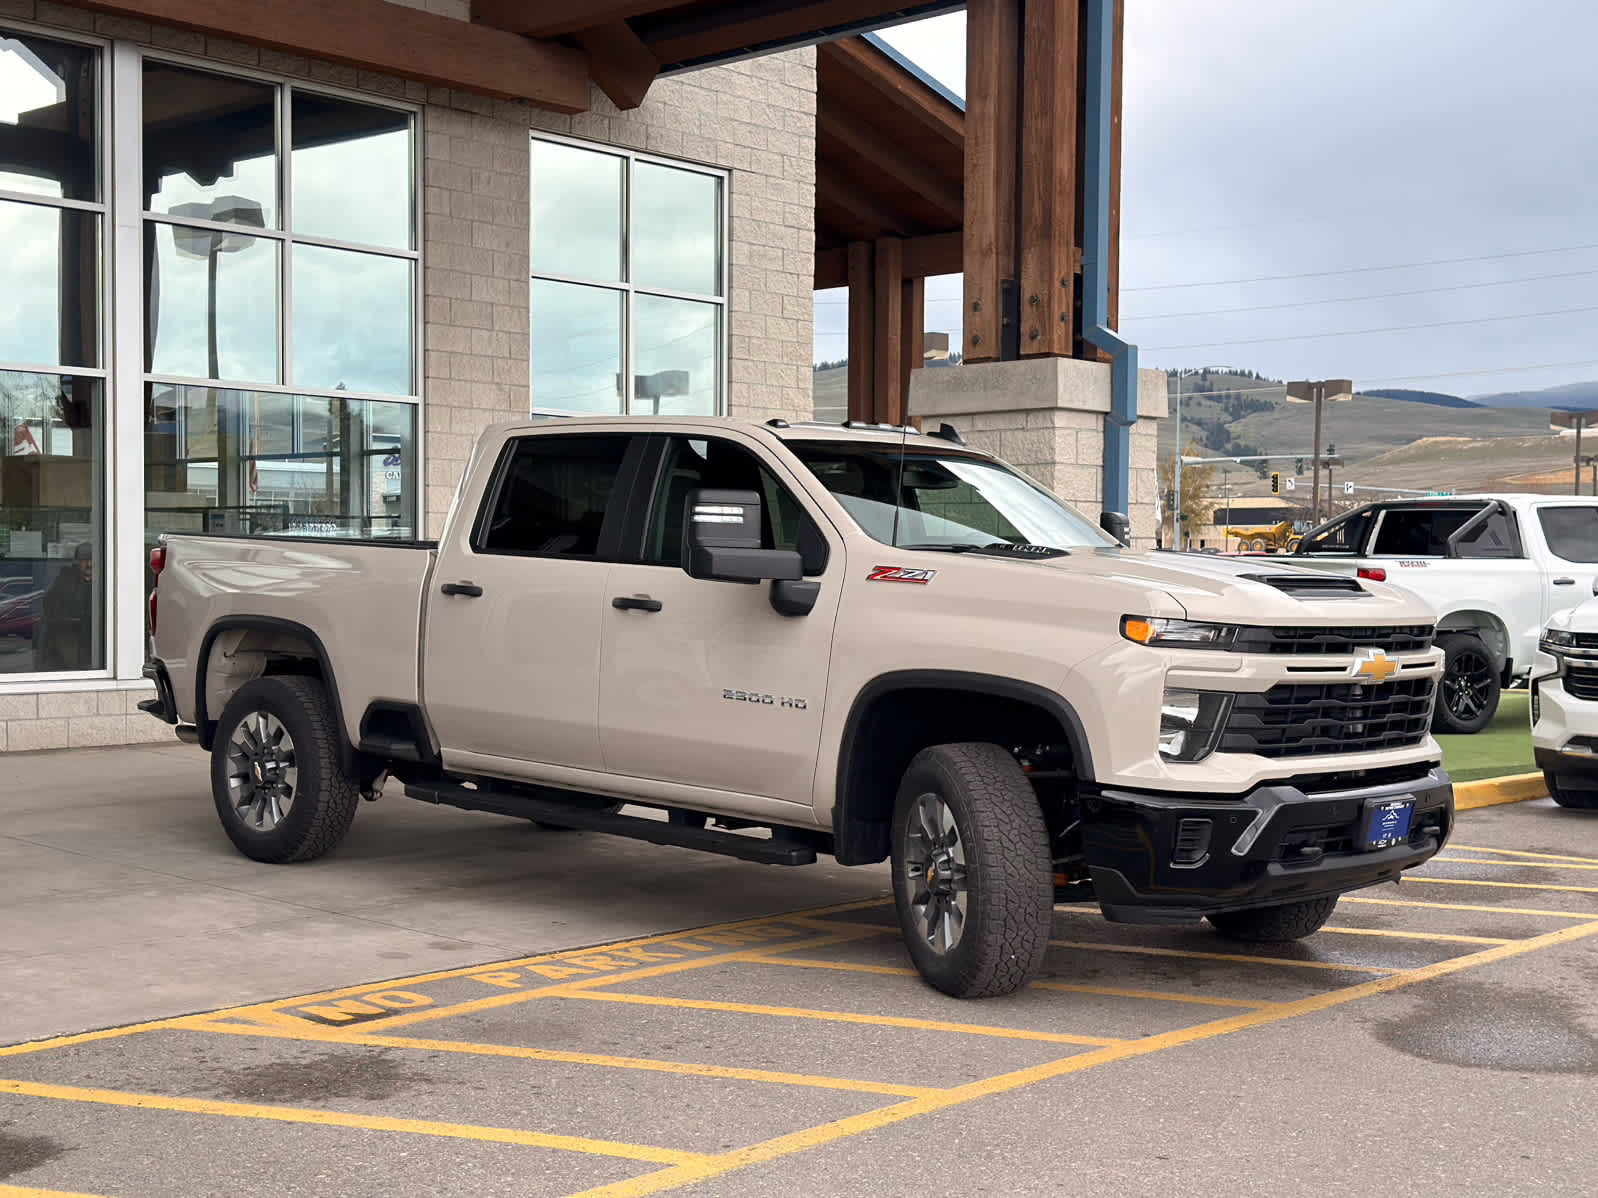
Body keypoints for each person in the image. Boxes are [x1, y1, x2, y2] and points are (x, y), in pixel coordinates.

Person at [40, 542, 94, 671]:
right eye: (84, 561)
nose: (89, 565)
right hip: (68, 633)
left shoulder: (105, 579)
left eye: (92, 560)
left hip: (95, 635)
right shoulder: (65, 579)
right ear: (77, 562)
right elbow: (49, 603)